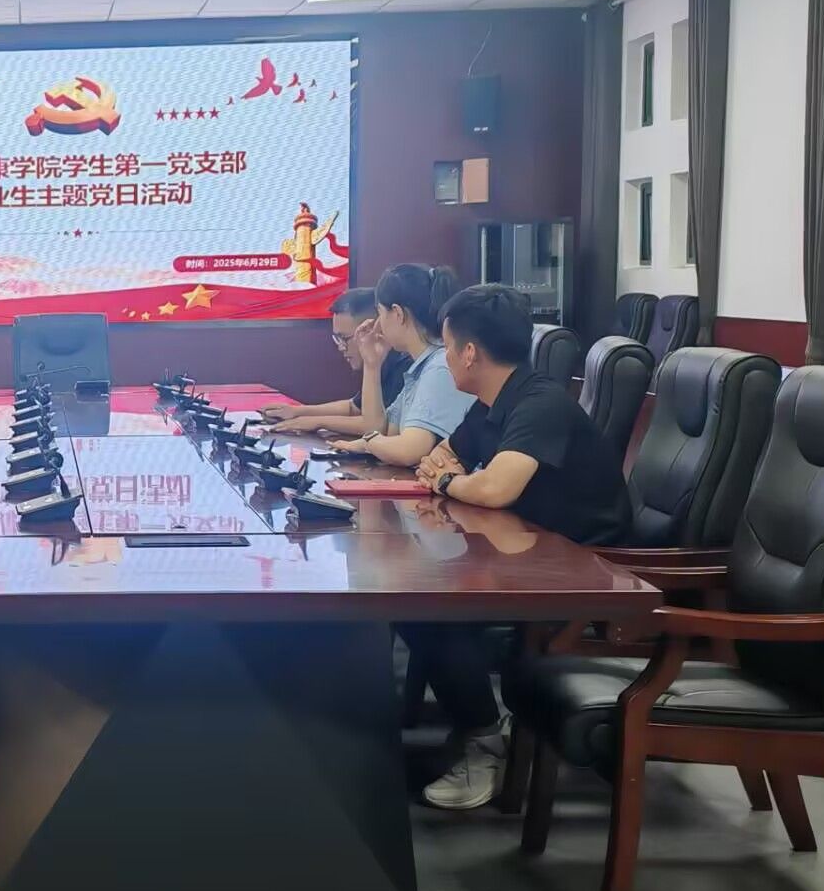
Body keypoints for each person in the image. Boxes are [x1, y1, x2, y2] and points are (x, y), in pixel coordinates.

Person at [402, 283, 633, 811]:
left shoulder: (539, 403)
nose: (444, 358)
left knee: (433, 611)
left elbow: (492, 488)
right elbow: (440, 457)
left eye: (447, 346)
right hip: (529, 552)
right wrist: (452, 477)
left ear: (469, 353)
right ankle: (479, 726)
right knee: (416, 600)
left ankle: (485, 744)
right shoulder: (492, 402)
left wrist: (448, 483)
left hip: (585, 570)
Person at [327, 263, 470, 468]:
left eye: (380, 313)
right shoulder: (420, 367)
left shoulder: (440, 367)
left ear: (397, 314)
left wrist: (368, 444)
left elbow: (408, 450)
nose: (378, 323)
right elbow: (380, 430)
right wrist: (372, 365)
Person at [264, 287, 411, 437]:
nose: (341, 347)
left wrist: (317, 422)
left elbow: (376, 426)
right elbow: (354, 407)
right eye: (337, 339)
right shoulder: (379, 363)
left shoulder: (406, 367)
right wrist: (296, 411)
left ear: (373, 330)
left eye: (345, 338)